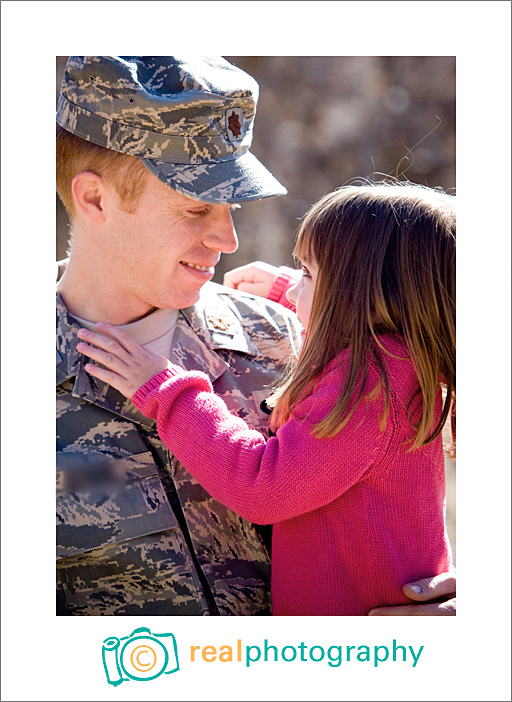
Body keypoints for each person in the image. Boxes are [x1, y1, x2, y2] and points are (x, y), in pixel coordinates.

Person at [56, 55, 455, 615]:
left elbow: (395, 516)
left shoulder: (303, 337)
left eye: (232, 207)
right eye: (197, 208)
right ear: (95, 199)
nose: (229, 240)